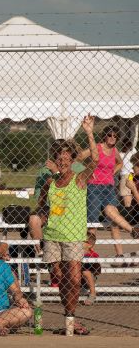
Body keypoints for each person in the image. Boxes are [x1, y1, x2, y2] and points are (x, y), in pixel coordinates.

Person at [39, 115, 98, 335]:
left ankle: (71, 318)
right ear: (55, 160)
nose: (63, 162)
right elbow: (42, 205)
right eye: (59, 158)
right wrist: (42, 217)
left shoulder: (79, 179)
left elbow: (95, 159)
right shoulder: (50, 182)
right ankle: (69, 317)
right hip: (53, 235)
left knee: (74, 278)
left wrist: (89, 133)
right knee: (60, 278)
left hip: (73, 236)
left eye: (66, 158)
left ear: (72, 159)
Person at [78, 124, 128, 255]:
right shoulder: (97, 148)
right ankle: (89, 253)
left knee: (114, 220)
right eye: (110, 135)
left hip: (109, 188)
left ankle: (120, 254)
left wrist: (112, 173)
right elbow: (78, 158)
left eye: (115, 136)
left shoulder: (115, 151)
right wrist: (86, 171)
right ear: (105, 136)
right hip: (94, 187)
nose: (112, 138)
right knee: (92, 221)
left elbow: (120, 163)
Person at [82, 232, 100, 307]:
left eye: (83, 241)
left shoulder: (92, 255)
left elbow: (97, 269)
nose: (79, 243)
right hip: (78, 276)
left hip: (90, 276)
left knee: (86, 272)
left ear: (89, 245)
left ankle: (93, 294)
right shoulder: (75, 252)